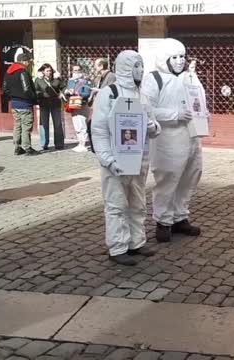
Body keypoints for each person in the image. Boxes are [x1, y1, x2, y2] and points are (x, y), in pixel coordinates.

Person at [91, 50, 161, 266]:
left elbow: (155, 127)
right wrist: (107, 159)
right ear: (124, 68)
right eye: (135, 66)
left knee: (138, 204)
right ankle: (118, 247)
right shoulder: (108, 94)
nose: (139, 70)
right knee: (116, 205)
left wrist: (151, 126)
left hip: (139, 161)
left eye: (141, 66)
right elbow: (99, 130)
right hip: (116, 162)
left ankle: (136, 242)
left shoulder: (142, 96)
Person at [141, 38, 203, 243]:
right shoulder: (154, 79)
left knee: (190, 175)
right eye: (174, 57)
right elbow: (146, 109)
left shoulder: (190, 77)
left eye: (182, 57)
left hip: (191, 137)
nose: (179, 61)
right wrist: (174, 114)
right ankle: (163, 220)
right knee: (168, 180)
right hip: (167, 139)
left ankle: (180, 216)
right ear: (164, 59)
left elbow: (199, 102)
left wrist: (203, 116)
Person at [3, 53, 39, 156]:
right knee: (26, 126)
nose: (28, 64)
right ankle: (27, 147)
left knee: (17, 125)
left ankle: (17, 147)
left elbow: (4, 89)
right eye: (28, 61)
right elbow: (26, 88)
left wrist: (12, 97)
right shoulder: (23, 72)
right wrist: (34, 98)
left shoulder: (8, 71)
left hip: (14, 103)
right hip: (25, 103)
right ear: (23, 61)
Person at [35, 63, 65, 151]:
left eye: (50, 70)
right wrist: (42, 95)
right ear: (43, 71)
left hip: (56, 103)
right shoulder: (38, 80)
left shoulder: (56, 79)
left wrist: (62, 93)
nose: (49, 72)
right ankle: (44, 144)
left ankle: (59, 144)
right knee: (44, 124)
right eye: (47, 71)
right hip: (44, 104)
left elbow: (63, 87)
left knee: (58, 124)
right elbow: (35, 90)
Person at [89, 58, 117, 152]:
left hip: (108, 107)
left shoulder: (111, 76)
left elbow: (113, 91)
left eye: (96, 65)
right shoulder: (99, 77)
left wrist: (98, 91)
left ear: (101, 66)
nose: (94, 67)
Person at [65, 65, 92, 153]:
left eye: (78, 70)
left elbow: (87, 93)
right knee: (76, 124)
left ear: (81, 70)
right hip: (73, 104)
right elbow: (67, 90)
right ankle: (80, 143)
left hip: (82, 104)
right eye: (75, 70)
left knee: (82, 124)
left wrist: (76, 92)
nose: (76, 72)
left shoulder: (85, 81)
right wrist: (67, 92)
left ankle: (83, 144)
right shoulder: (70, 81)